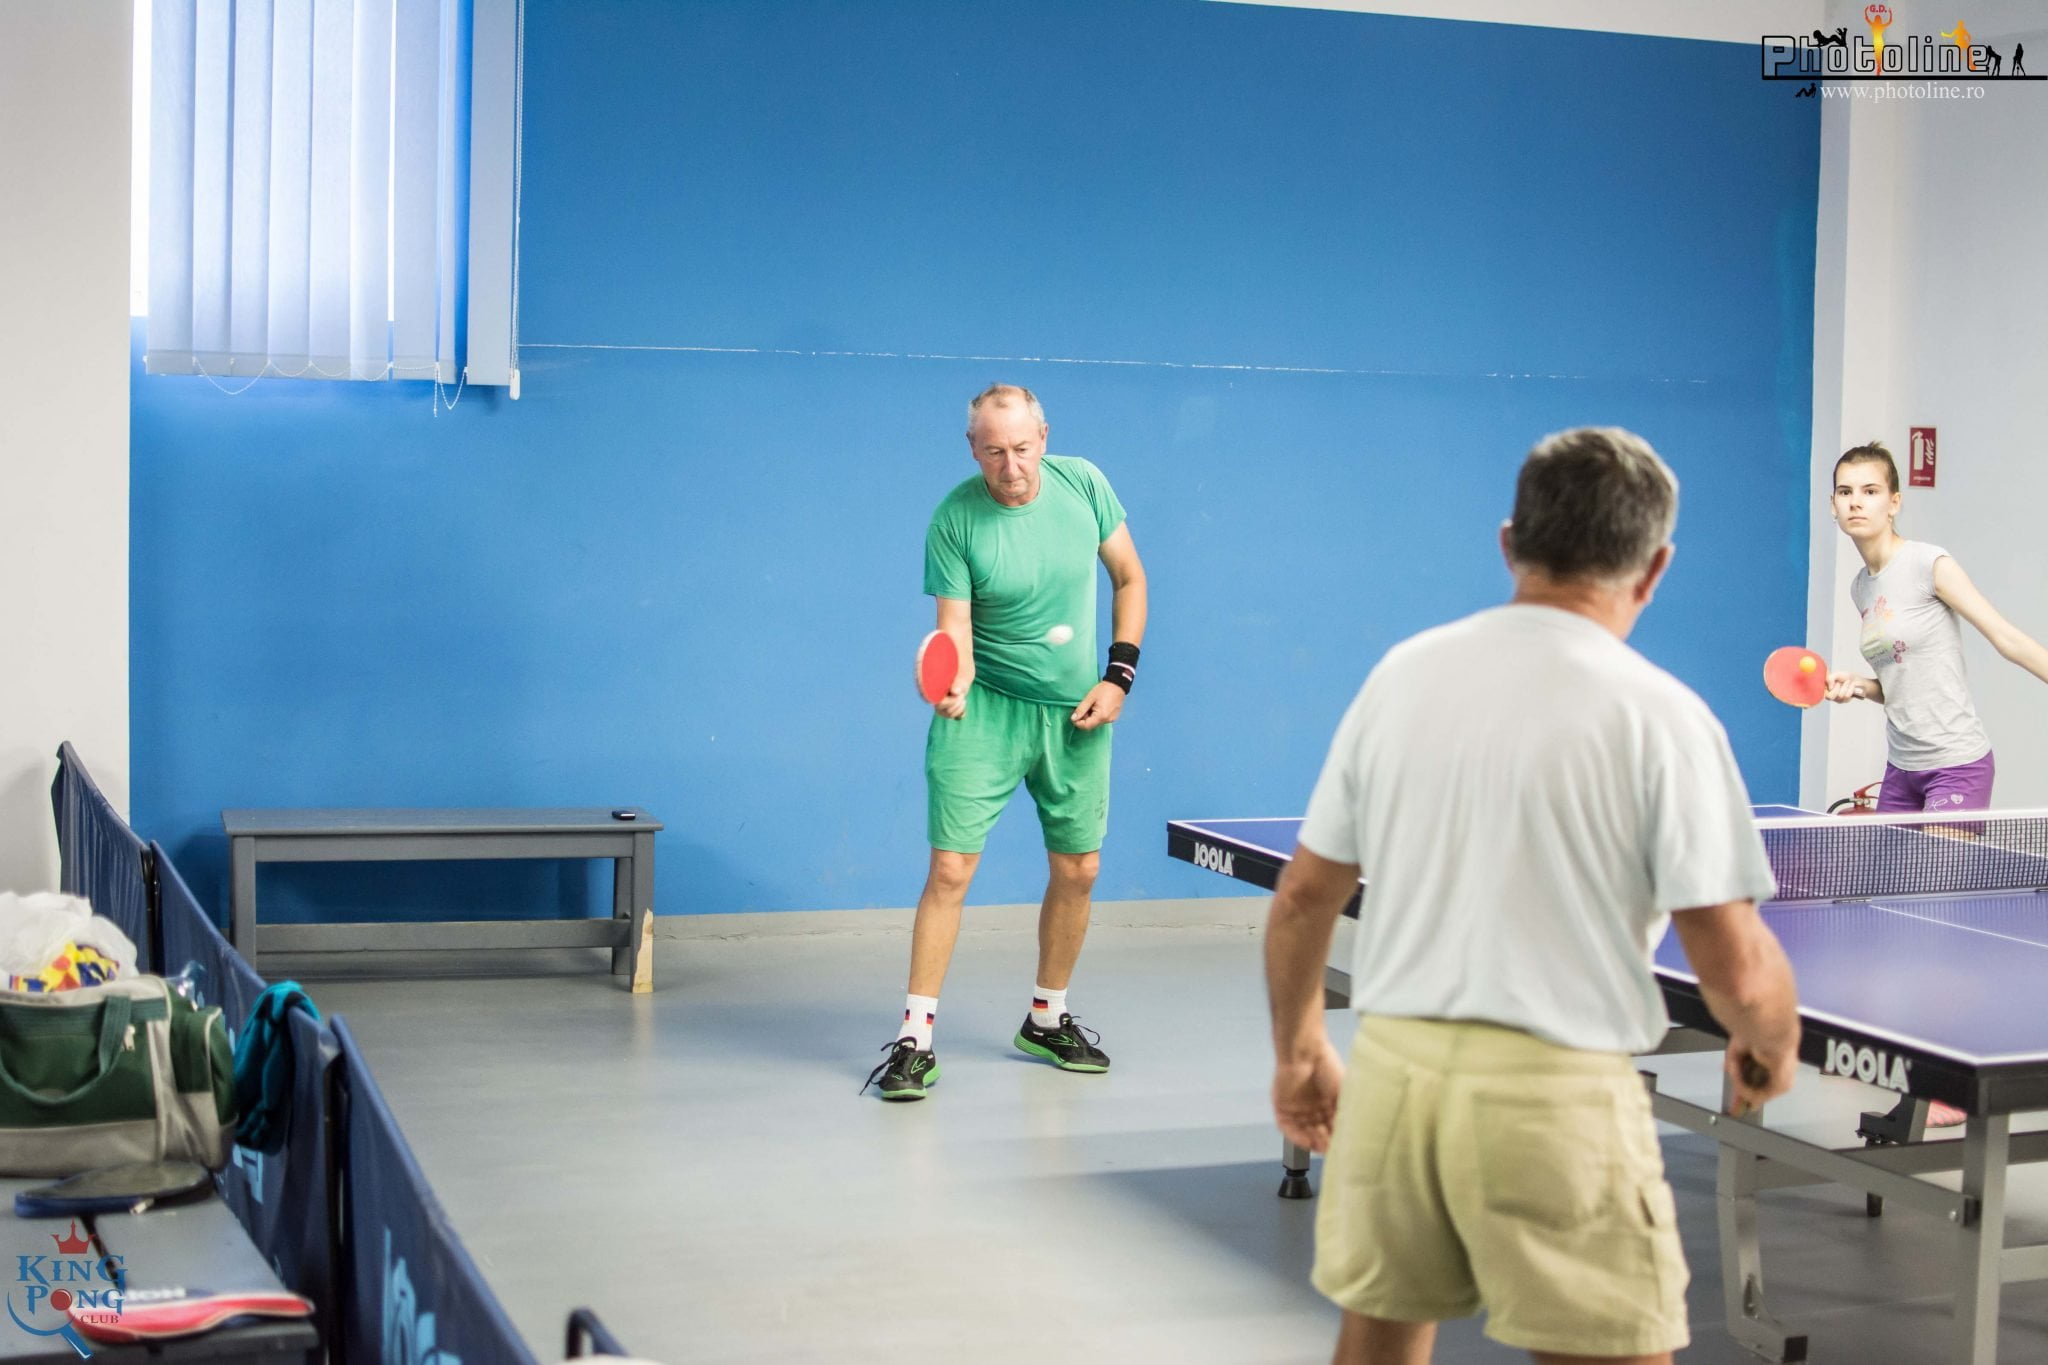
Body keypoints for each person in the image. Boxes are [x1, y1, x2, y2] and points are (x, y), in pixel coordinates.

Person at [1264, 427, 1801, 1364]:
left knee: (1377, 1343)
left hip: (1394, 1075)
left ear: (1510, 543)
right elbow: (1737, 968)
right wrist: (1769, 1040)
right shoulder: (1663, 715)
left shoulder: (1403, 675)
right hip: (1553, 1096)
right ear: (1656, 567)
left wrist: (1302, 1048)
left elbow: (1305, 897)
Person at [863, 384, 1148, 1101]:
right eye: (994, 451)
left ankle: (1047, 1017)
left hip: (1074, 712)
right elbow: (954, 628)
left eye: (1022, 448)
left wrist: (1118, 676)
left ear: (1044, 438)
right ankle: (914, 1040)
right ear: (972, 448)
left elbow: (1129, 577)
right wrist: (955, 682)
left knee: (1079, 869)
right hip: (985, 710)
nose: (1011, 466)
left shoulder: (1085, 485)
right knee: (951, 869)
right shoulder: (954, 519)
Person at [1823, 440, 2048, 813]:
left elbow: (2005, 637)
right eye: (1845, 492)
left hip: (1957, 765)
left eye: (1870, 491)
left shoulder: (1928, 564)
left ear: (1894, 502)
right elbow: (1904, 684)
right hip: (1901, 769)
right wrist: (1861, 685)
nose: (1856, 502)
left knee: (1939, 855)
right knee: (1890, 858)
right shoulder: (1861, 587)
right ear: (1833, 504)